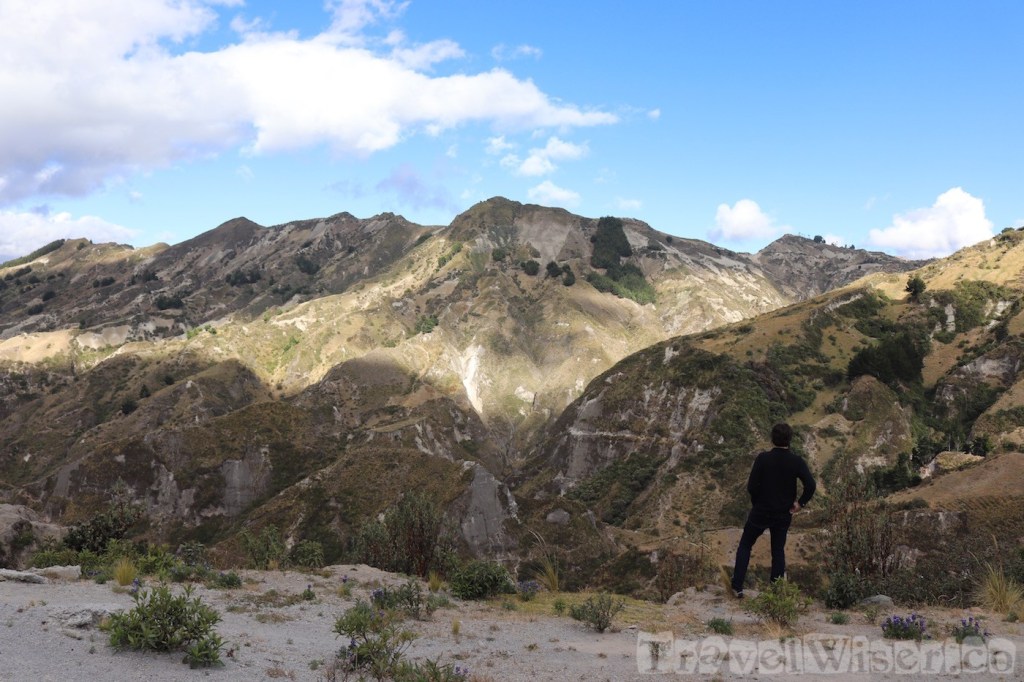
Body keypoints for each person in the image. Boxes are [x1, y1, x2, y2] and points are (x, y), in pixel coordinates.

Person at [730, 422, 816, 598]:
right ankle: (775, 593)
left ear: (772, 438)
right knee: (778, 551)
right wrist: (800, 504)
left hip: (761, 510)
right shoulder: (796, 462)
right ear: (790, 439)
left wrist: (757, 503)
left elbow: (752, 486)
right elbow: (811, 485)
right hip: (783, 513)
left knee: (746, 544)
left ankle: (737, 586)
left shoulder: (763, 458)